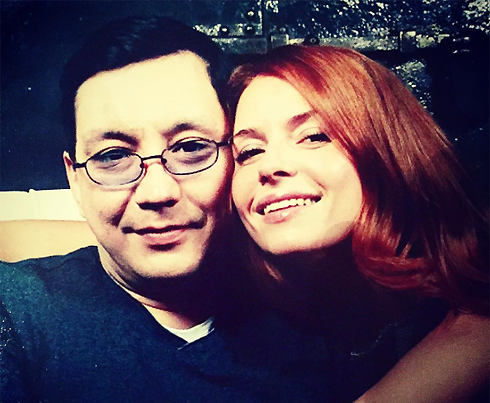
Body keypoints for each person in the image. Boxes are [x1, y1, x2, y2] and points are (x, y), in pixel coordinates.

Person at [0, 17, 338, 403]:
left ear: (237, 154)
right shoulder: (17, 315)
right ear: (75, 180)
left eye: (191, 148)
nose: (157, 192)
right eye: (112, 156)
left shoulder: (313, 306)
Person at [227, 44, 489, 402]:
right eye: (249, 152)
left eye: (314, 137)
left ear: (385, 147)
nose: (269, 166)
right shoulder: (264, 336)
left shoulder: (468, 305)